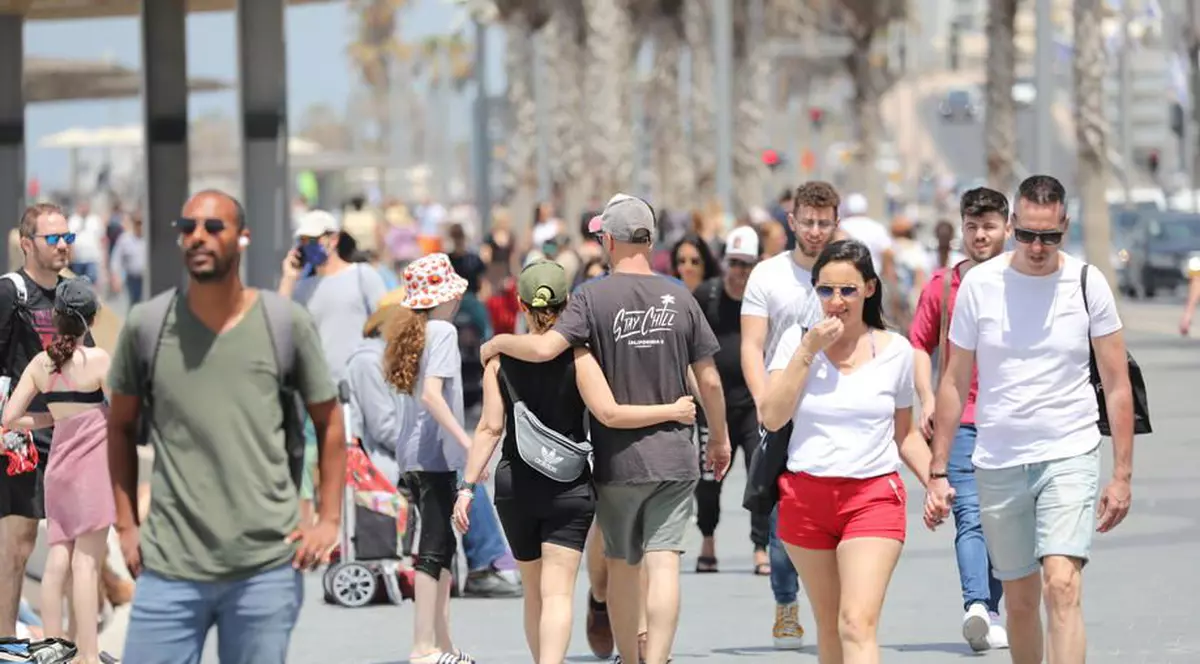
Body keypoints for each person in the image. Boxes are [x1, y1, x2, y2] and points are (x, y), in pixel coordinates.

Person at [480, 193, 731, 664]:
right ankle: (656, 659)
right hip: (676, 456)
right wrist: (718, 436)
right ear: (651, 240)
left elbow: (544, 348)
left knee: (622, 566)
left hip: (619, 459)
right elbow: (710, 380)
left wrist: (496, 343)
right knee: (665, 564)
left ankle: (630, 660)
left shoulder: (591, 299)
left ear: (609, 240)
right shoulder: (680, 296)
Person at [108, 189, 345, 663]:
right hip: (169, 567)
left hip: (264, 568)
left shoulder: (285, 323)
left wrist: (330, 519)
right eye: (188, 227)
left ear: (242, 238)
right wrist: (126, 525)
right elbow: (119, 426)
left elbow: (329, 421)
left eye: (214, 227)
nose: (199, 237)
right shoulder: (147, 325)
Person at [927, 175, 1135, 664]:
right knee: (1020, 602)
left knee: (1061, 585)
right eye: (1027, 235)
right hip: (998, 460)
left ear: (1065, 226)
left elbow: (1117, 382)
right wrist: (938, 469)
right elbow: (954, 381)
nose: (1037, 247)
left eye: (1050, 236)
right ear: (1013, 225)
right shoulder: (980, 285)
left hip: (1069, 450)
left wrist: (1122, 474)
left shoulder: (1087, 283)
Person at [452, 260, 697, 664]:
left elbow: (489, 430)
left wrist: (467, 488)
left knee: (533, 592)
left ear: (521, 304)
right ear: (568, 304)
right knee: (558, 592)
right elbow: (611, 414)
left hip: (517, 487)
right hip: (569, 488)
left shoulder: (500, 361)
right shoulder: (580, 357)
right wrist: (671, 410)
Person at [759, 239, 933, 664]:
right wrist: (806, 351)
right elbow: (773, 416)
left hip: (871, 498)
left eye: (848, 290)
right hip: (806, 499)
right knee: (831, 627)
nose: (836, 302)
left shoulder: (897, 352)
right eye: (826, 290)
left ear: (869, 289)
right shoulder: (796, 345)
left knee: (856, 623)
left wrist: (936, 481)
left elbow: (905, 434)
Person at [908, 187, 1010, 651]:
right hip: (961, 419)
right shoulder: (943, 287)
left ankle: (992, 606)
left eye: (989, 226)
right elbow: (917, 344)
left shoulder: (1022, 282)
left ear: (1007, 228)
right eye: (973, 227)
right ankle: (978, 607)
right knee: (970, 514)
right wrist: (928, 398)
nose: (980, 235)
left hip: (1012, 421)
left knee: (1005, 521)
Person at [740, 181, 831, 650]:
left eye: (824, 222)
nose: (815, 231)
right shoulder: (767, 276)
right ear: (791, 221)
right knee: (783, 516)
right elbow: (753, 345)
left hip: (835, 410)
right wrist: (763, 401)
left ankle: (832, 611)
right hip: (782, 409)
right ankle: (786, 601)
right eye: (807, 221)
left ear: (835, 223)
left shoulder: (847, 271)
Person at [2, 278, 112, 664]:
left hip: (58, 469)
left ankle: (53, 650)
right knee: (86, 563)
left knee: (57, 558)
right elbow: (125, 412)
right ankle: (88, 654)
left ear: (56, 319)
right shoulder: (99, 362)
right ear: (91, 320)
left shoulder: (40, 364)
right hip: (93, 472)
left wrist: (50, 418)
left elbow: (10, 418)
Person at [0, 202, 92, 638]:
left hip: (71, 437)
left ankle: (73, 643)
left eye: (67, 238)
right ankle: (6, 642)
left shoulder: (73, 293)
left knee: (74, 548)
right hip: (20, 439)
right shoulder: (10, 291)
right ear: (25, 244)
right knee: (17, 546)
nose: (63, 246)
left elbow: (89, 360)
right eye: (53, 238)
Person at [384, 253, 477, 664]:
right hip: (434, 454)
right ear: (445, 297)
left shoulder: (415, 331)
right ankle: (424, 646)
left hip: (413, 455)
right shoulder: (441, 331)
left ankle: (442, 643)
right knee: (435, 549)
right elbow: (432, 397)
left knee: (438, 548)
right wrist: (468, 442)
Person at [279, 208, 387, 525]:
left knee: (365, 459)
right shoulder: (301, 288)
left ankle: (366, 529)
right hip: (317, 392)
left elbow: (384, 323)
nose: (308, 245)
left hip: (361, 388)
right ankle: (310, 532)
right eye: (303, 240)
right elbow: (278, 325)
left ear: (333, 239)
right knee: (311, 462)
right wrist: (288, 277)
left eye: (314, 239)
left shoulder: (361, 275)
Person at [691, 226, 768, 574]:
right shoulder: (706, 296)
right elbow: (688, 350)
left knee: (760, 474)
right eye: (735, 264)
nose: (740, 273)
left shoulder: (764, 298)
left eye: (747, 265)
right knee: (709, 482)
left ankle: (760, 545)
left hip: (753, 404)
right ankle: (707, 539)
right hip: (713, 406)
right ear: (724, 264)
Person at [108, 211, 146, 303]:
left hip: (146, 279)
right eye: (138, 223)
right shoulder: (125, 239)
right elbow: (116, 259)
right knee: (134, 304)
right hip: (132, 280)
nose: (140, 226)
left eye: (142, 223)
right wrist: (116, 277)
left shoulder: (149, 238)